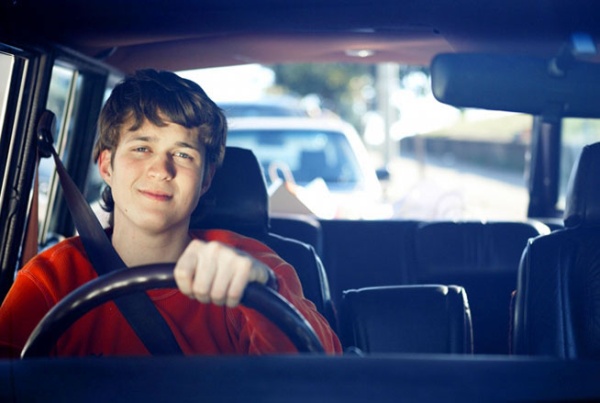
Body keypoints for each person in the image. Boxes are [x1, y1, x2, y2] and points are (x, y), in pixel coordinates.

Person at [0, 69, 341, 357]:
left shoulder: (254, 268)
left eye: (182, 154)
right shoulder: (51, 280)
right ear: (106, 166)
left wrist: (263, 294)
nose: (161, 170)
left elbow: (322, 375)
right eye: (142, 148)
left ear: (206, 179)